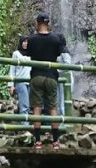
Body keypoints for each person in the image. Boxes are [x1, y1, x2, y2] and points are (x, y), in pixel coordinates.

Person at [26, 13, 64, 148]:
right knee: (53, 107)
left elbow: (27, 53)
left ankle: (37, 140)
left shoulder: (31, 39)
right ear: (48, 24)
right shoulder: (56, 39)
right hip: (51, 76)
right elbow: (59, 53)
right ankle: (55, 140)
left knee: (37, 108)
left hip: (36, 76)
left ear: (37, 24)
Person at [8, 36, 31, 122]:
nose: (26, 43)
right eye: (24, 41)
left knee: (29, 105)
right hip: (20, 82)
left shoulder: (32, 53)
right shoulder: (16, 54)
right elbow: (12, 69)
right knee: (25, 105)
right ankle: (25, 127)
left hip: (31, 82)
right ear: (21, 42)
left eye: (27, 42)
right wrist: (11, 85)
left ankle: (25, 126)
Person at [56, 42, 74, 117]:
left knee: (63, 99)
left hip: (66, 79)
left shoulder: (65, 53)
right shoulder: (59, 53)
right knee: (60, 99)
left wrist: (58, 70)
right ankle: (61, 117)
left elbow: (67, 65)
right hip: (60, 78)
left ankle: (64, 118)